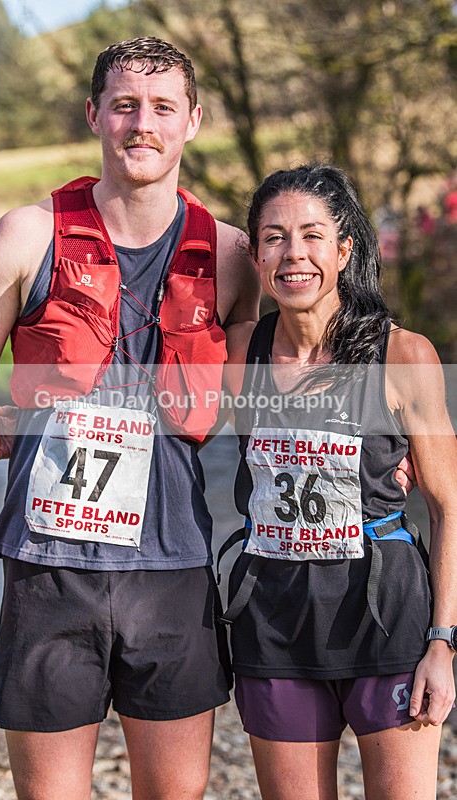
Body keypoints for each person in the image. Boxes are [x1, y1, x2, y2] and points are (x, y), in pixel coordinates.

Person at [0, 37, 260, 800]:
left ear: (193, 121)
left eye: (163, 108)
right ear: (94, 115)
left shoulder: (234, 257)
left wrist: (384, 449)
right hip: (49, 573)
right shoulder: (26, 234)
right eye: (125, 105)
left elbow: (260, 401)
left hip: (174, 571)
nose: (143, 124)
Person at [221, 164, 457, 800]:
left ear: (345, 248)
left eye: (312, 235)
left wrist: (444, 642)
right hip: (273, 619)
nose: (294, 254)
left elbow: (449, 506)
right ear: (253, 253)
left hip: (386, 615)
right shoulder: (240, 351)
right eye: (272, 238)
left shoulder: (404, 355)